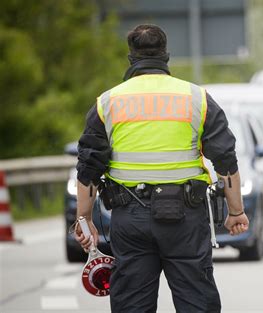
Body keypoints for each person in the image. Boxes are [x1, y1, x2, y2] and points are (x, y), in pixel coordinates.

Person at [74, 24, 249, 313]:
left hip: (129, 219)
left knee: (132, 304)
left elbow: (88, 168)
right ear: (166, 55)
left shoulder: (107, 103)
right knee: (196, 300)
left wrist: (84, 219)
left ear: (131, 57)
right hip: (186, 219)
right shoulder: (197, 99)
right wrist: (235, 212)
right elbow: (226, 162)